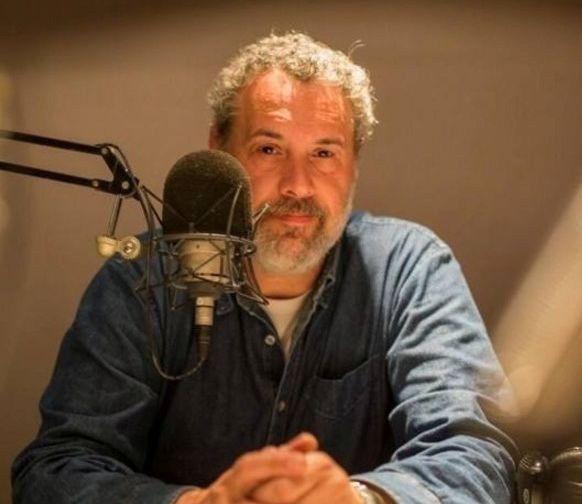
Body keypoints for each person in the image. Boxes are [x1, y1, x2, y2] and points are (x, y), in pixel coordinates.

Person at [12, 32, 516, 503]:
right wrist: (201, 503)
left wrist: (357, 499)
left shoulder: (410, 269)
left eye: (324, 153)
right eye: (269, 149)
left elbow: (477, 453)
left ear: (354, 164)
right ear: (219, 153)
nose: (298, 184)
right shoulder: (142, 278)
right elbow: (56, 469)